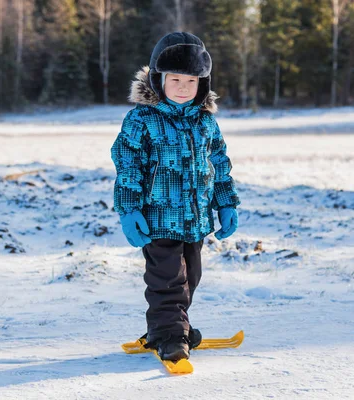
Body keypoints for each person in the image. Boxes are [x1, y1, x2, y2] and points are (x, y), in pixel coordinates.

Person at [111, 32, 240, 362]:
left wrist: (225, 203)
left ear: (203, 82)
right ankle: (170, 335)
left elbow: (219, 163)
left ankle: (167, 327)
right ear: (158, 79)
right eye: (176, 79)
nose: (184, 87)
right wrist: (129, 210)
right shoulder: (142, 119)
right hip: (158, 219)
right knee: (168, 281)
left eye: (192, 80)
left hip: (195, 220)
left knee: (189, 278)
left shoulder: (206, 121)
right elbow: (128, 165)